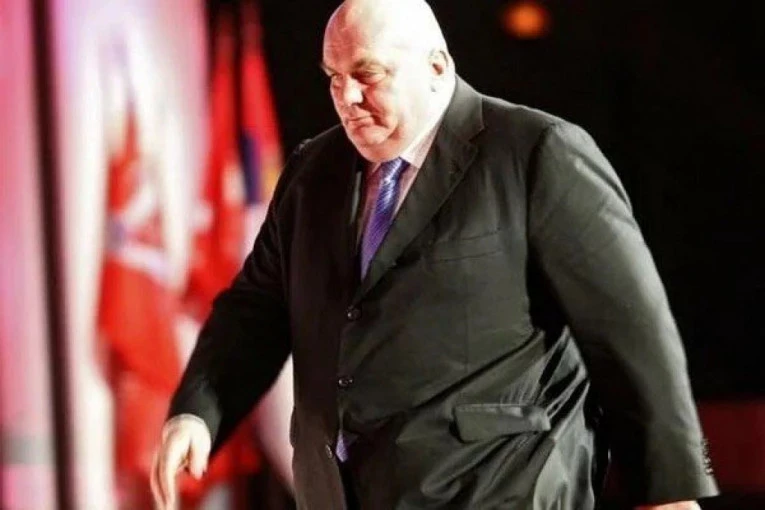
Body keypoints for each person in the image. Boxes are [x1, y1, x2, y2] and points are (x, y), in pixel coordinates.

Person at [151, 0, 719, 508]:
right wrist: (198, 409)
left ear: (437, 67)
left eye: (368, 74)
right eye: (334, 78)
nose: (347, 98)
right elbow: (255, 308)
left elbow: (630, 331)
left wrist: (668, 492)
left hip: (499, 489)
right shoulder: (309, 173)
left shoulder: (537, 154)